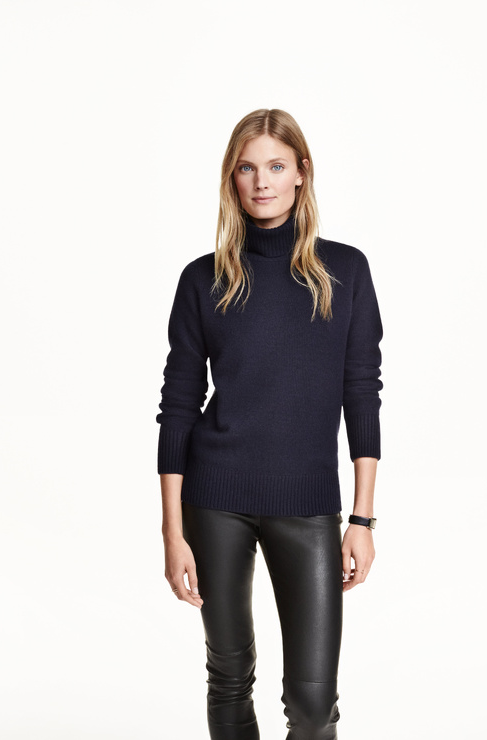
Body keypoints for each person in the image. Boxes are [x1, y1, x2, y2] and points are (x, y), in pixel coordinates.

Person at [156, 108, 383, 740]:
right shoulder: (203, 279)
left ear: (302, 173)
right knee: (229, 678)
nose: (262, 182)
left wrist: (362, 519)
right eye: (247, 168)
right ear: (231, 179)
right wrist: (172, 532)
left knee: (313, 705)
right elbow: (178, 405)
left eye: (276, 166)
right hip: (214, 500)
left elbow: (362, 394)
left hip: (307, 504)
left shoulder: (346, 271)